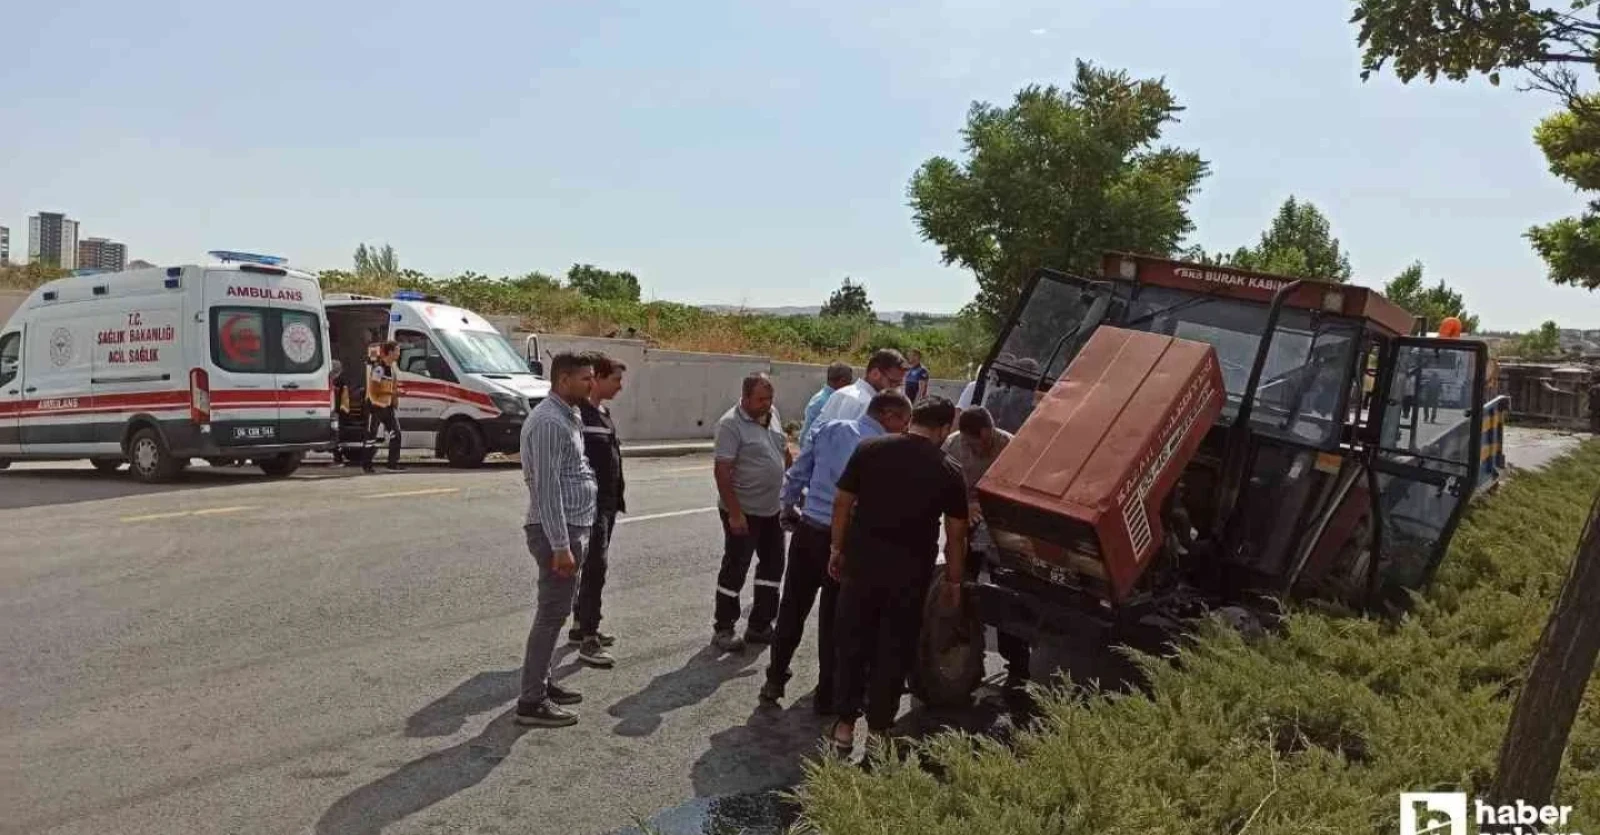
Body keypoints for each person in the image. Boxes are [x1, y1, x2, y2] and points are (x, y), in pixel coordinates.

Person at [827, 396, 968, 754]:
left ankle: (844, 727)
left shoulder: (869, 449)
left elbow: (841, 502)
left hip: (861, 568)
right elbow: (956, 535)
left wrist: (837, 548)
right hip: (909, 579)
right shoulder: (949, 469)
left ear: (912, 419)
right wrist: (953, 581)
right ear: (943, 429)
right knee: (893, 651)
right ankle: (878, 731)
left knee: (852, 645)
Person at [762, 391, 914, 712]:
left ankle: (774, 680)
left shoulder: (828, 428)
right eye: (904, 421)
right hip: (845, 541)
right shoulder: (883, 449)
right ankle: (826, 694)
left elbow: (798, 472)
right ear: (889, 416)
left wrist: (788, 506)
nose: (906, 428)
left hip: (809, 530)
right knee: (836, 619)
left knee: (792, 609)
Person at [516, 352, 599, 728]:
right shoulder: (550, 422)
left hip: (568, 528)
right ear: (563, 380)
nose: (591, 385)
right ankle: (531, 701)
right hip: (556, 532)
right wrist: (562, 546)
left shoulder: (568, 415)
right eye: (585, 379)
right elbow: (547, 489)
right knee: (550, 616)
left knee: (556, 613)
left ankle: (543, 683)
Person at [942, 406, 1031, 688]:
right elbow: (944, 488)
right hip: (964, 523)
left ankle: (1017, 666)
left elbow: (1023, 493)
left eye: (983, 441)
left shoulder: (1012, 446)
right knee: (960, 586)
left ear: (990, 431)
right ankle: (966, 653)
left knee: (1006, 593)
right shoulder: (953, 445)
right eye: (973, 442)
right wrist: (965, 507)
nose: (978, 448)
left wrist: (986, 506)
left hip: (1001, 526)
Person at [711, 373, 792, 652]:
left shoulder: (772, 414)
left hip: (772, 510)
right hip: (743, 510)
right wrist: (734, 513)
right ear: (745, 397)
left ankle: (760, 625)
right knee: (736, 567)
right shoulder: (730, 424)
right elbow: (722, 471)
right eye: (760, 399)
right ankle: (723, 627)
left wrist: (791, 482)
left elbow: (782, 450)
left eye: (770, 398)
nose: (767, 404)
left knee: (773, 567)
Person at [569, 352, 627, 669]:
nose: (620, 387)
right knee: (595, 569)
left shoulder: (602, 413)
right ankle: (589, 638)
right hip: (590, 506)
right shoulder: (581, 416)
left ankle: (581, 625)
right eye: (616, 379)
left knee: (594, 568)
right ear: (598, 379)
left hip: (607, 504)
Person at [805, 348, 907, 446]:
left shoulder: (840, 393)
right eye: (893, 382)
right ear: (875, 373)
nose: (896, 389)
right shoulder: (869, 404)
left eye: (899, 384)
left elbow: (811, 436)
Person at [363, 341, 404, 473]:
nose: (399, 353)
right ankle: (367, 465)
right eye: (397, 351)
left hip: (387, 407)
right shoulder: (379, 369)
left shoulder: (392, 370)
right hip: (374, 407)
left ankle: (392, 463)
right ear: (390, 352)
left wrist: (394, 400)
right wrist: (392, 393)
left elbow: (393, 387)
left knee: (396, 433)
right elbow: (373, 389)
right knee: (371, 437)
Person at [799, 362, 855, 452]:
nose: (851, 385)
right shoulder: (823, 401)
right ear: (842, 381)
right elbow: (807, 436)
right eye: (850, 381)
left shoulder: (825, 398)